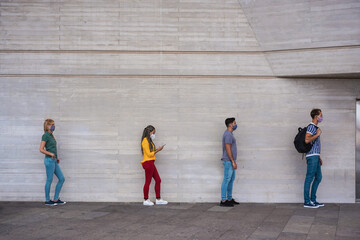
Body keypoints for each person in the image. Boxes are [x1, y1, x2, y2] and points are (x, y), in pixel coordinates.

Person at [39, 119, 66, 206]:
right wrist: (50, 154)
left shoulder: (51, 135)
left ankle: (55, 199)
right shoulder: (45, 136)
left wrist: (57, 157)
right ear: (47, 126)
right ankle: (47, 200)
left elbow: (53, 148)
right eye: (51, 124)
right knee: (49, 180)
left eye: (54, 124)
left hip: (54, 160)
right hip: (49, 160)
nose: (53, 126)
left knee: (62, 178)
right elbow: (41, 149)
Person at [141, 125, 168, 206]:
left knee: (158, 180)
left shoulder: (149, 141)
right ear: (149, 132)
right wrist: (158, 150)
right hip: (148, 163)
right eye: (153, 132)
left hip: (151, 163)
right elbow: (149, 154)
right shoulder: (145, 141)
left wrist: (157, 150)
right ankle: (146, 199)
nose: (154, 134)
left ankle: (158, 199)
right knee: (148, 182)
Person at [303, 109, 324, 208]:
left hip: (315, 156)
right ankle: (307, 201)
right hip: (311, 156)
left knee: (318, 177)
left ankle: (313, 200)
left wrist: (319, 157)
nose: (322, 117)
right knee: (309, 178)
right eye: (321, 115)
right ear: (316, 116)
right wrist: (317, 134)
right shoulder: (311, 127)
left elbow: (314, 144)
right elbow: (307, 140)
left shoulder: (315, 127)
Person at [220, 118, 240, 207]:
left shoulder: (230, 134)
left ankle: (229, 198)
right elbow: (228, 149)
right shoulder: (228, 134)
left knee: (231, 180)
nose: (236, 124)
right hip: (228, 161)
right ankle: (223, 200)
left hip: (231, 161)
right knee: (227, 180)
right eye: (234, 123)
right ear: (230, 125)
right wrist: (232, 161)